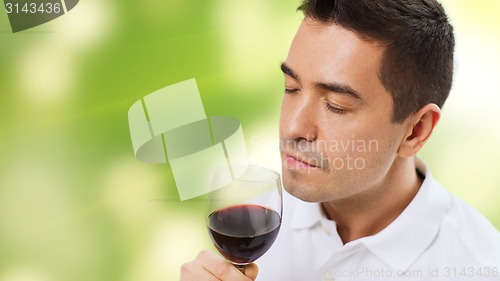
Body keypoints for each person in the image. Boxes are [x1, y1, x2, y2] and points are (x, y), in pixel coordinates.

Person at [180, 0, 500, 280]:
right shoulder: (255, 222)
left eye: (336, 105)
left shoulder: (479, 267)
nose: (292, 127)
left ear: (416, 131)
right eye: (291, 87)